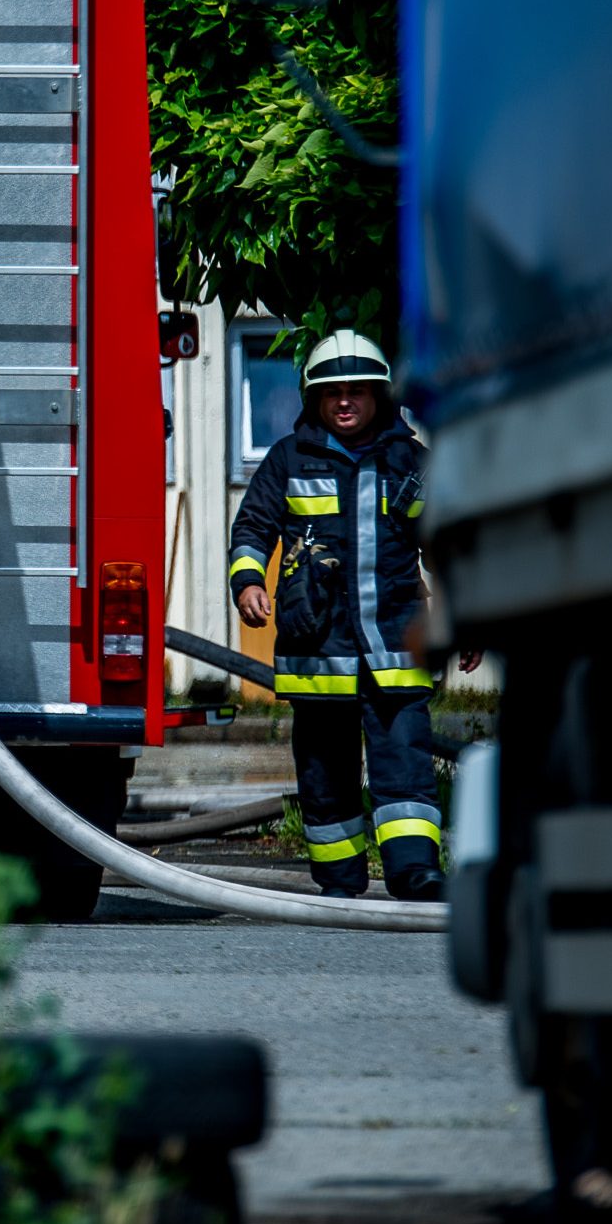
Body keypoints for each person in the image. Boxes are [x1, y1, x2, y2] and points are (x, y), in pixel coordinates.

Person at [227, 330, 470, 902]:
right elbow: (254, 528)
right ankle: (339, 878)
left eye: (358, 391)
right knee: (324, 772)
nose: (345, 402)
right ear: (313, 399)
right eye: (333, 392)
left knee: (405, 768)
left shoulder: (409, 461)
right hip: (319, 653)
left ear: (379, 396)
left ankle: (415, 870)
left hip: (398, 652)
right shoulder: (288, 460)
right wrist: (247, 583)